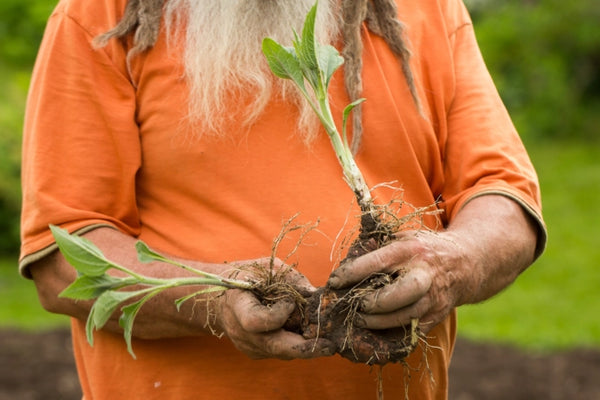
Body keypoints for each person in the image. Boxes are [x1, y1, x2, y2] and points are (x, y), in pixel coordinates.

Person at [20, 0, 546, 398]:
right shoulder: (108, 16)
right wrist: (213, 299)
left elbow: (503, 195)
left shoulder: (423, 8)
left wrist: (453, 262)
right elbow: (64, 257)